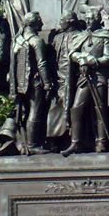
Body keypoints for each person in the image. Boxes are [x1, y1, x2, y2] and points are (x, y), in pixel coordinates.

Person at [0, 10, 53, 155]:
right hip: (35, 82)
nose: (42, 24)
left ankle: (26, 143)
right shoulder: (36, 41)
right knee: (35, 112)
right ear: (33, 24)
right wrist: (48, 83)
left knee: (25, 112)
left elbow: (13, 66)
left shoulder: (17, 41)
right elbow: (42, 64)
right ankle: (32, 144)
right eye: (39, 21)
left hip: (20, 84)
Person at [62, 7, 109, 154]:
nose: (88, 22)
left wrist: (94, 61)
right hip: (84, 78)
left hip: (99, 77)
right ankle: (75, 142)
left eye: (91, 19)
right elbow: (72, 53)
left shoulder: (106, 36)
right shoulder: (81, 36)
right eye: (86, 19)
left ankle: (101, 142)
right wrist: (81, 59)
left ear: (98, 19)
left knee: (99, 108)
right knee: (76, 108)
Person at [46, 10, 83, 149]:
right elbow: (51, 58)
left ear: (70, 22)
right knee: (55, 108)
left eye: (63, 20)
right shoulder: (57, 38)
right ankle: (54, 139)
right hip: (58, 78)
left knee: (72, 108)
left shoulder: (79, 36)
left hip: (75, 78)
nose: (60, 22)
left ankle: (73, 139)